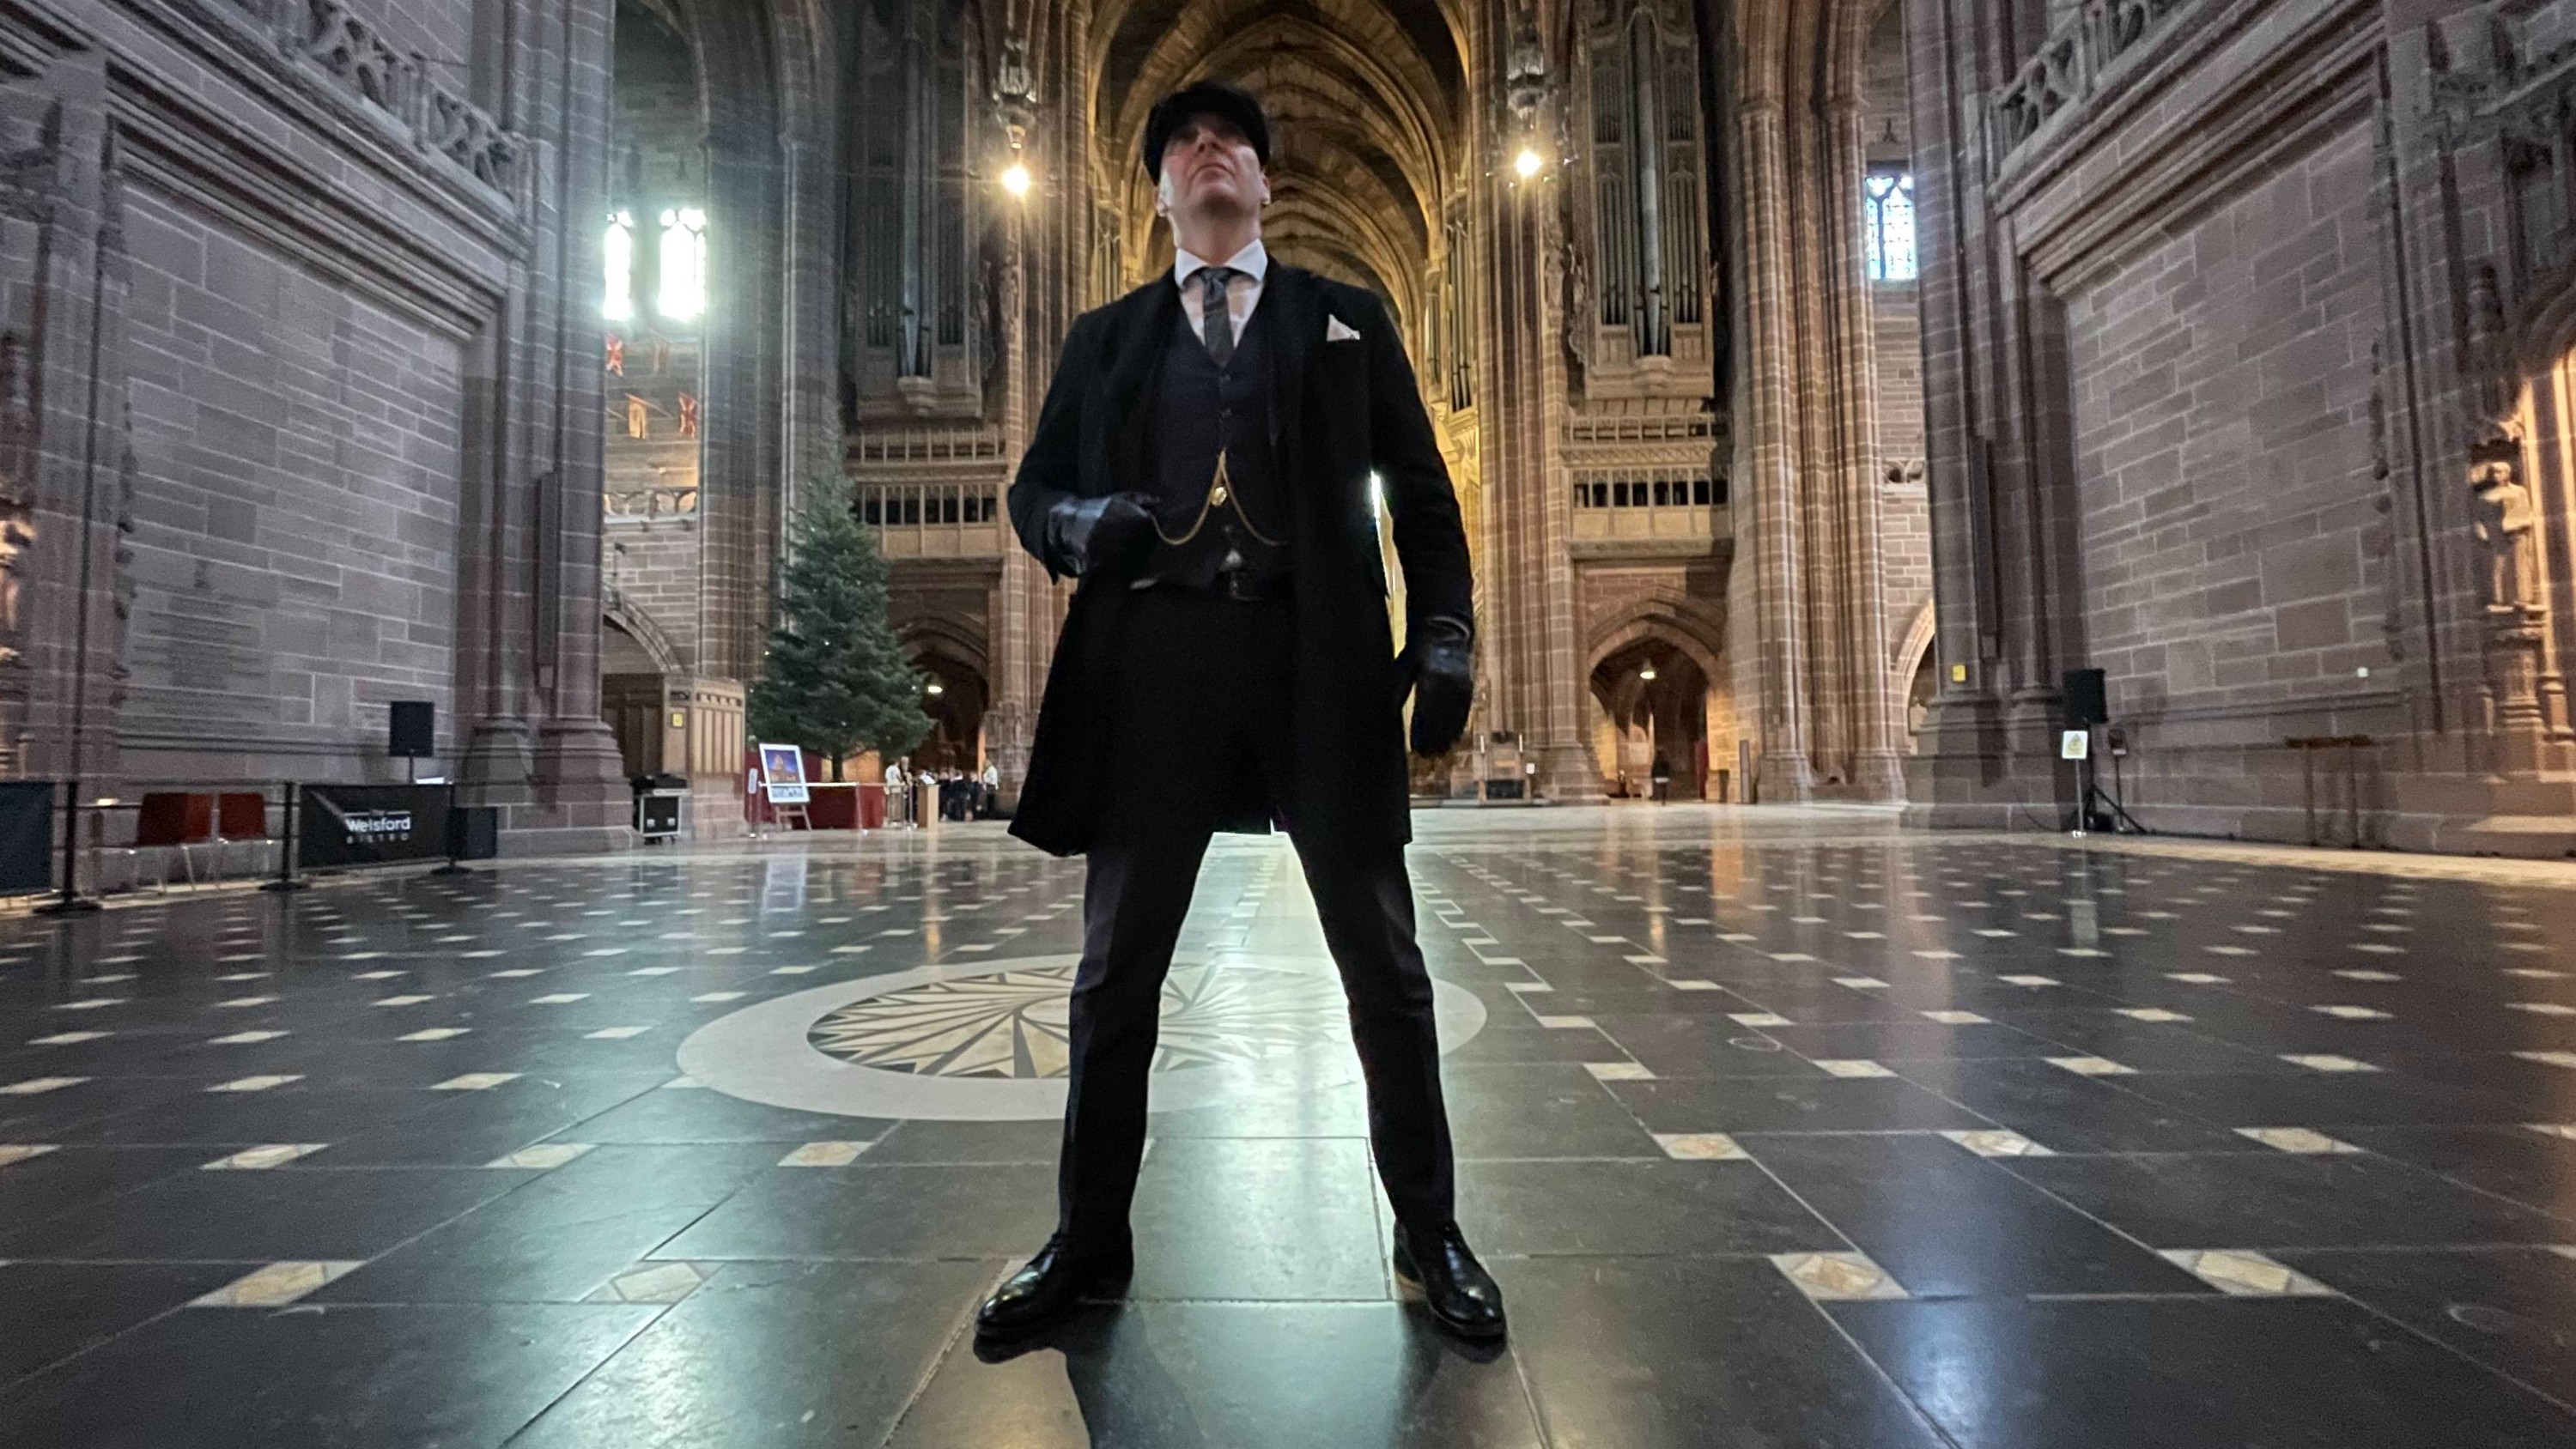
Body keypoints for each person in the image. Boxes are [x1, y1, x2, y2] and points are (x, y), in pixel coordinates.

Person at [979, 81, 1500, 1343]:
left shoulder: (1347, 320)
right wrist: (1073, 525)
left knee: (1387, 968)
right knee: (1114, 980)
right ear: (1159, 191)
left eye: (1232, 145)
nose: (1209, 157)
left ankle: (1429, 1230)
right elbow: (1032, 486)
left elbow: (1423, 496)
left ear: (1264, 184)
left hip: (1311, 661)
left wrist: (1443, 629)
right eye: (1183, 147)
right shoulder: (1105, 339)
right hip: (1151, 669)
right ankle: (1088, 1242)